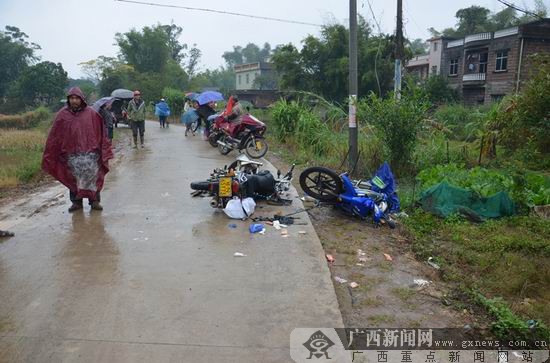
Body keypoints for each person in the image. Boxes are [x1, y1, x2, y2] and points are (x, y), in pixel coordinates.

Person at [42, 87, 113, 212]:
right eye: (71, 98)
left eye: (76, 98)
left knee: (92, 178)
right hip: (71, 154)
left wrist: (103, 149)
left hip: (90, 154)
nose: (74, 101)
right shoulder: (62, 115)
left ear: (81, 99)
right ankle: (76, 203)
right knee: (73, 179)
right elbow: (55, 135)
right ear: (68, 100)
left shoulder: (92, 114)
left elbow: (101, 132)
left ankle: (94, 201)